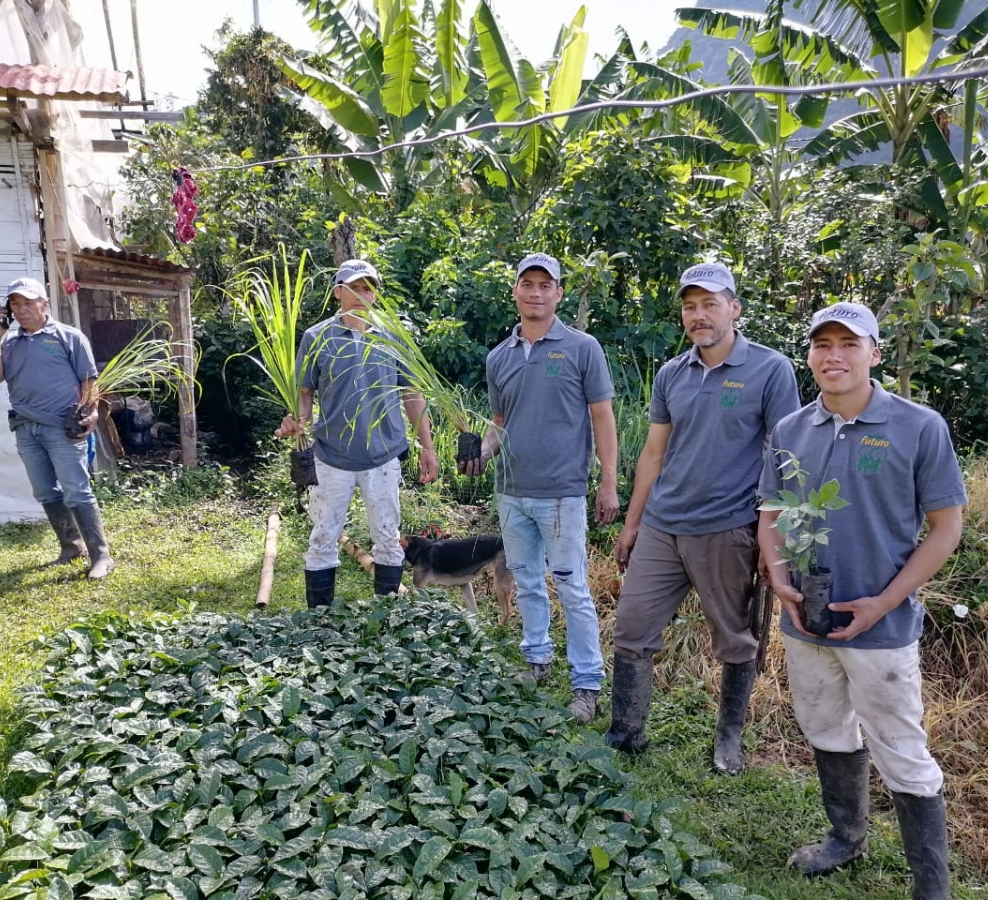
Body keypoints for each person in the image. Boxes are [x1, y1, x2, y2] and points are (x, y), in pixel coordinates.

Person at [757, 302, 966, 899]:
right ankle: (845, 838)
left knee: (901, 747)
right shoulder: (791, 430)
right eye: (822, 344)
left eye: (849, 344)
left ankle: (931, 885)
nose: (834, 356)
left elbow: (945, 529)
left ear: (874, 353)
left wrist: (885, 601)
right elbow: (770, 513)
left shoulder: (918, 426)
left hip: (882, 627)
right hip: (806, 620)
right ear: (809, 356)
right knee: (824, 726)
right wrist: (779, 578)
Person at [605, 262, 800, 773]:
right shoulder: (672, 373)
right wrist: (632, 522)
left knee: (735, 639)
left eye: (710, 304)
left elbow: (786, 456)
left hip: (727, 527)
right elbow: (653, 453)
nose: (699, 315)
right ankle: (626, 732)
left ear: (734, 308)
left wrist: (773, 537)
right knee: (632, 628)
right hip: (662, 525)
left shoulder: (771, 369)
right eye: (690, 307)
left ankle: (728, 739)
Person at [460, 252, 619, 724]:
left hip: (562, 492)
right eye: (527, 283)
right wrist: (482, 452)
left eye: (545, 285)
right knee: (526, 579)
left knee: (572, 586)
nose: (535, 292)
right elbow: (500, 421)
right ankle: (536, 659)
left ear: (558, 293)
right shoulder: (499, 357)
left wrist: (608, 482)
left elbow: (602, 417)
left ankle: (586, 683)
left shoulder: (582, 347)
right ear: (515, 291)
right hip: (511, 491)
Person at [275, 259, 438, 606]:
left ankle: (387, 615)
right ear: (338, 292)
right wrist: (296, 422)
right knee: (323, 536)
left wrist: (428, 447)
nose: (361, 295)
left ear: (375, 294)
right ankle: (320, 619)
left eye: (368, 288)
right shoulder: (317, 337)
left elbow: (412, 394)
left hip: (383, 456)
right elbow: (304, 393)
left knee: (388, 537)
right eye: (353, 288)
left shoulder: (393, 337)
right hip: (331, 456)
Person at [0, 276, 115, 580]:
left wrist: (92, 412)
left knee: (76, 490)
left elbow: (89, 380)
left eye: (28, 302)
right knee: (44, 490)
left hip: (62, 427)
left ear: (44, 304)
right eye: (15, 304)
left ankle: (101, 556)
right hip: (26, 427)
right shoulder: (9, 343)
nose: (22, 309)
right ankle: (71, 547)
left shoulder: (69, 337)